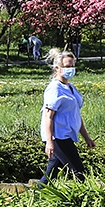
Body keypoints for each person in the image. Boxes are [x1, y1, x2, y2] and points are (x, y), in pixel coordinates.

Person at [38, 49, 94, 185]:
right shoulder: (55, 89)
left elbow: (76, 115)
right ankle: (81, 201)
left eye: (72, 66)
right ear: (57, 68)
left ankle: (37, 194)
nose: (71, 69)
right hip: (58, 137)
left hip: (67, 134)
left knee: (52, 172)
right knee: (78, 171)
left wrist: (86, 137)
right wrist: (50, 141)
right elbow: (48, 116)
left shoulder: (70, 87)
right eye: (67, 66)